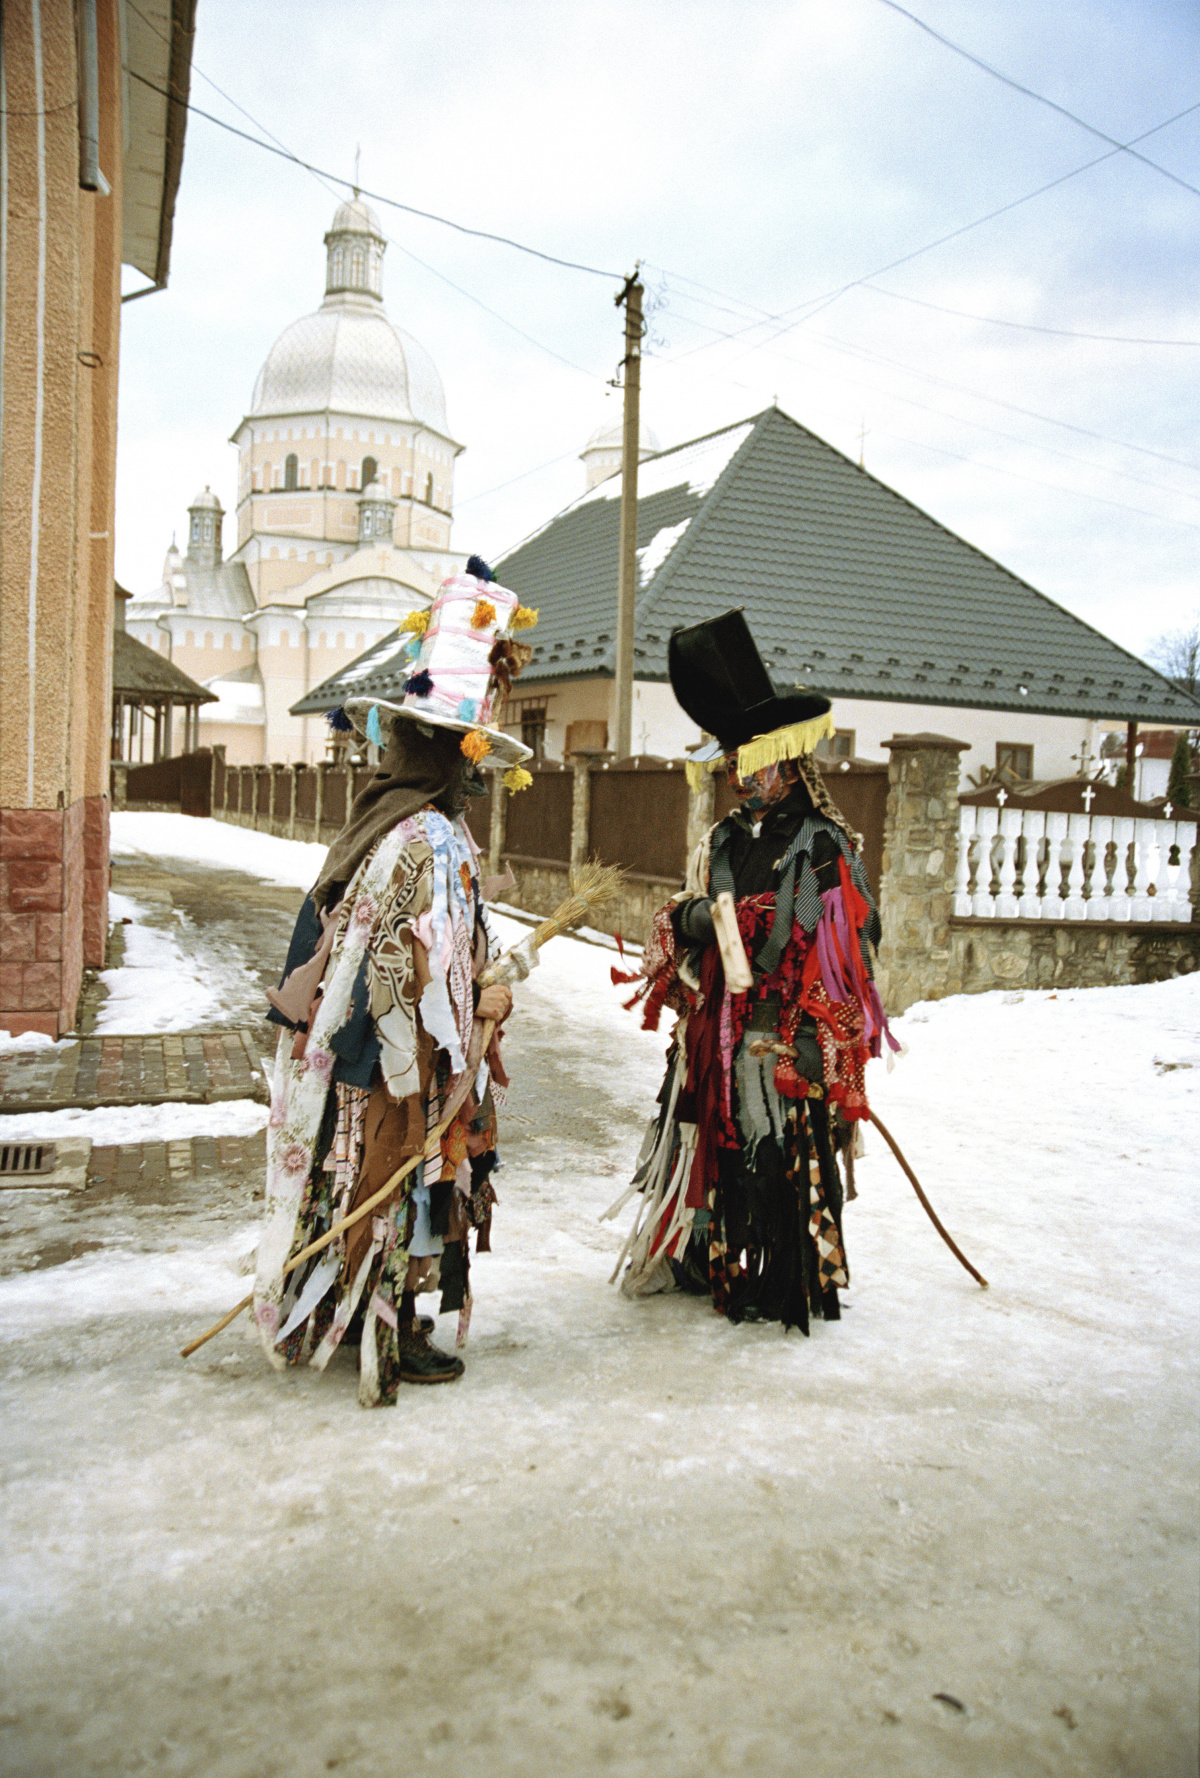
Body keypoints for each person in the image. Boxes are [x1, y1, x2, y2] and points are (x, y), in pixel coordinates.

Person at [252, 558, 537, 1405]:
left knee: (355, 1177)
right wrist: (482, 994)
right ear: (451, 758)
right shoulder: (434, 838)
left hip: (348, 1053)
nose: (475, 779)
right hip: (402, 1059)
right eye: (470, 760)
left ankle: (344, 1305)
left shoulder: (373, 822)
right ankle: (390, 1330)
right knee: (400, 1183)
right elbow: (434, 965)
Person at [611, 610, 896, 1331]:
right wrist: (693, 919)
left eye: (752, 761)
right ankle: (701, 1255)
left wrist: (813, 1041)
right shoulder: (724, 839)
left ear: (789, 760)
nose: (740, 776)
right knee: (701, 1138)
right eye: (734, 761)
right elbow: (689, 914)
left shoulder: (826, 846)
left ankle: (788, 1276)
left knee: (780, 1154)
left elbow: (853, 958)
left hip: (782, 1041)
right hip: (716, 1035)